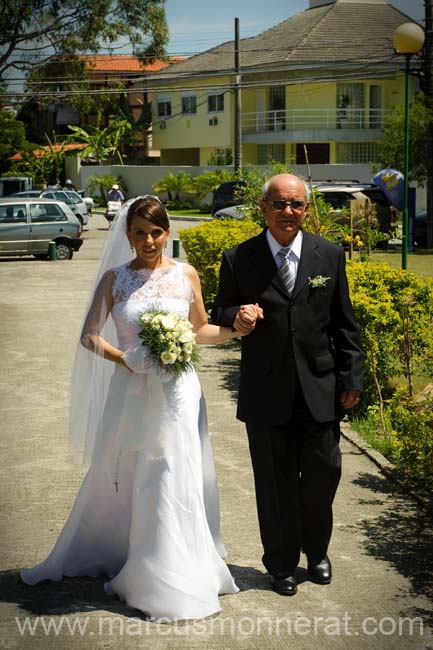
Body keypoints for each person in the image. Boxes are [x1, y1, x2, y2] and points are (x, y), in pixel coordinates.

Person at [20, 195, 242, 621]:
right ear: (128, 235)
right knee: (130, 471)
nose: (149, 240)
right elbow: (89, 336)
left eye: (156, 232)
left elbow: (200, 330)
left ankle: (166, 567)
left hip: (178, 392)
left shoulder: (186, 275)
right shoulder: (114, 280)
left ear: (167, 233)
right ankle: (131, 553)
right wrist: (126, 359)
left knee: (172, 471)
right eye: (139, 232)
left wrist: (235, 330)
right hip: (131, 389)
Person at [211, 173, 364, 597]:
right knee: (275, 483)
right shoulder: (239, 257)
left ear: (306, 209)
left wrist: (352, 377)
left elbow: (344, 323)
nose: (288, 212)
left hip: (320, 387)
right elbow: (219, 307)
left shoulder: (328, 255)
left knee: (323, 474)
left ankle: (317, 551)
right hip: (266, 390)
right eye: (279, 204)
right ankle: (280, 564)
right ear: (263, 207)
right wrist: (234, 317)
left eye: (296, 204)